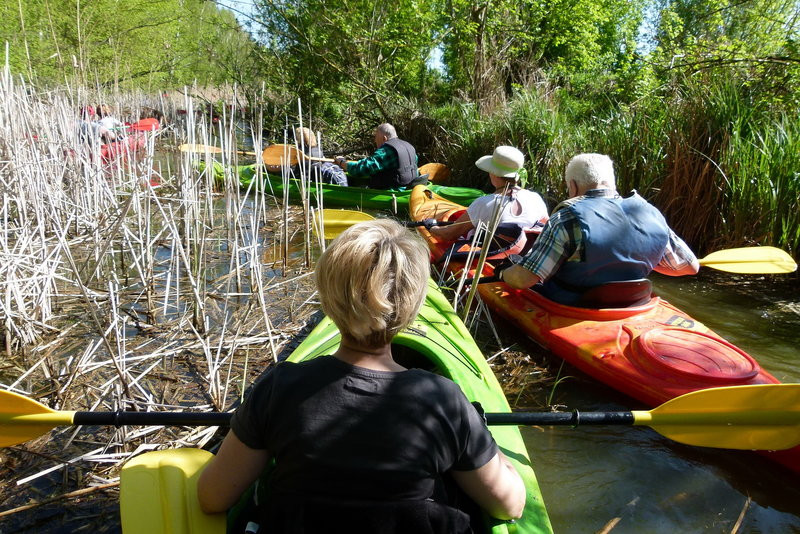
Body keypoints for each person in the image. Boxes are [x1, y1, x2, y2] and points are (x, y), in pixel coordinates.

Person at [197, 219, 526, 530]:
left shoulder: (278, 387)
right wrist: (484, 441)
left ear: (329, 299)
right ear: (413, 304)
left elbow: (212, 498)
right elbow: (510, 506)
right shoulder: (444, 400)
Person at [500, 153, 700, 307]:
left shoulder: (566, 217)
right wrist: (633, 256)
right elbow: (690, 267)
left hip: (575, 305)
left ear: (573, 186)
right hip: (634, 302)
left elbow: (522, 280)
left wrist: (504, 274)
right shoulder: (649, 212)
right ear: (612, 183)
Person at [428, 146, 548, 242]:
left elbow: (449, 235)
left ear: (494, 174)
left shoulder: (485, 204)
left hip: (486, 260)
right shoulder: (536, 199)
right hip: (521, 259)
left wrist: (431, 227)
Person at [334, 123, 427, 189]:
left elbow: (362, 169)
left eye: (376, 138)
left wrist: (342, 163)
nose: (375, 141)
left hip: (393, 190)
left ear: (384, 138)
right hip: (410, 187)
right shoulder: (409, 146)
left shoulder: (386, 151)